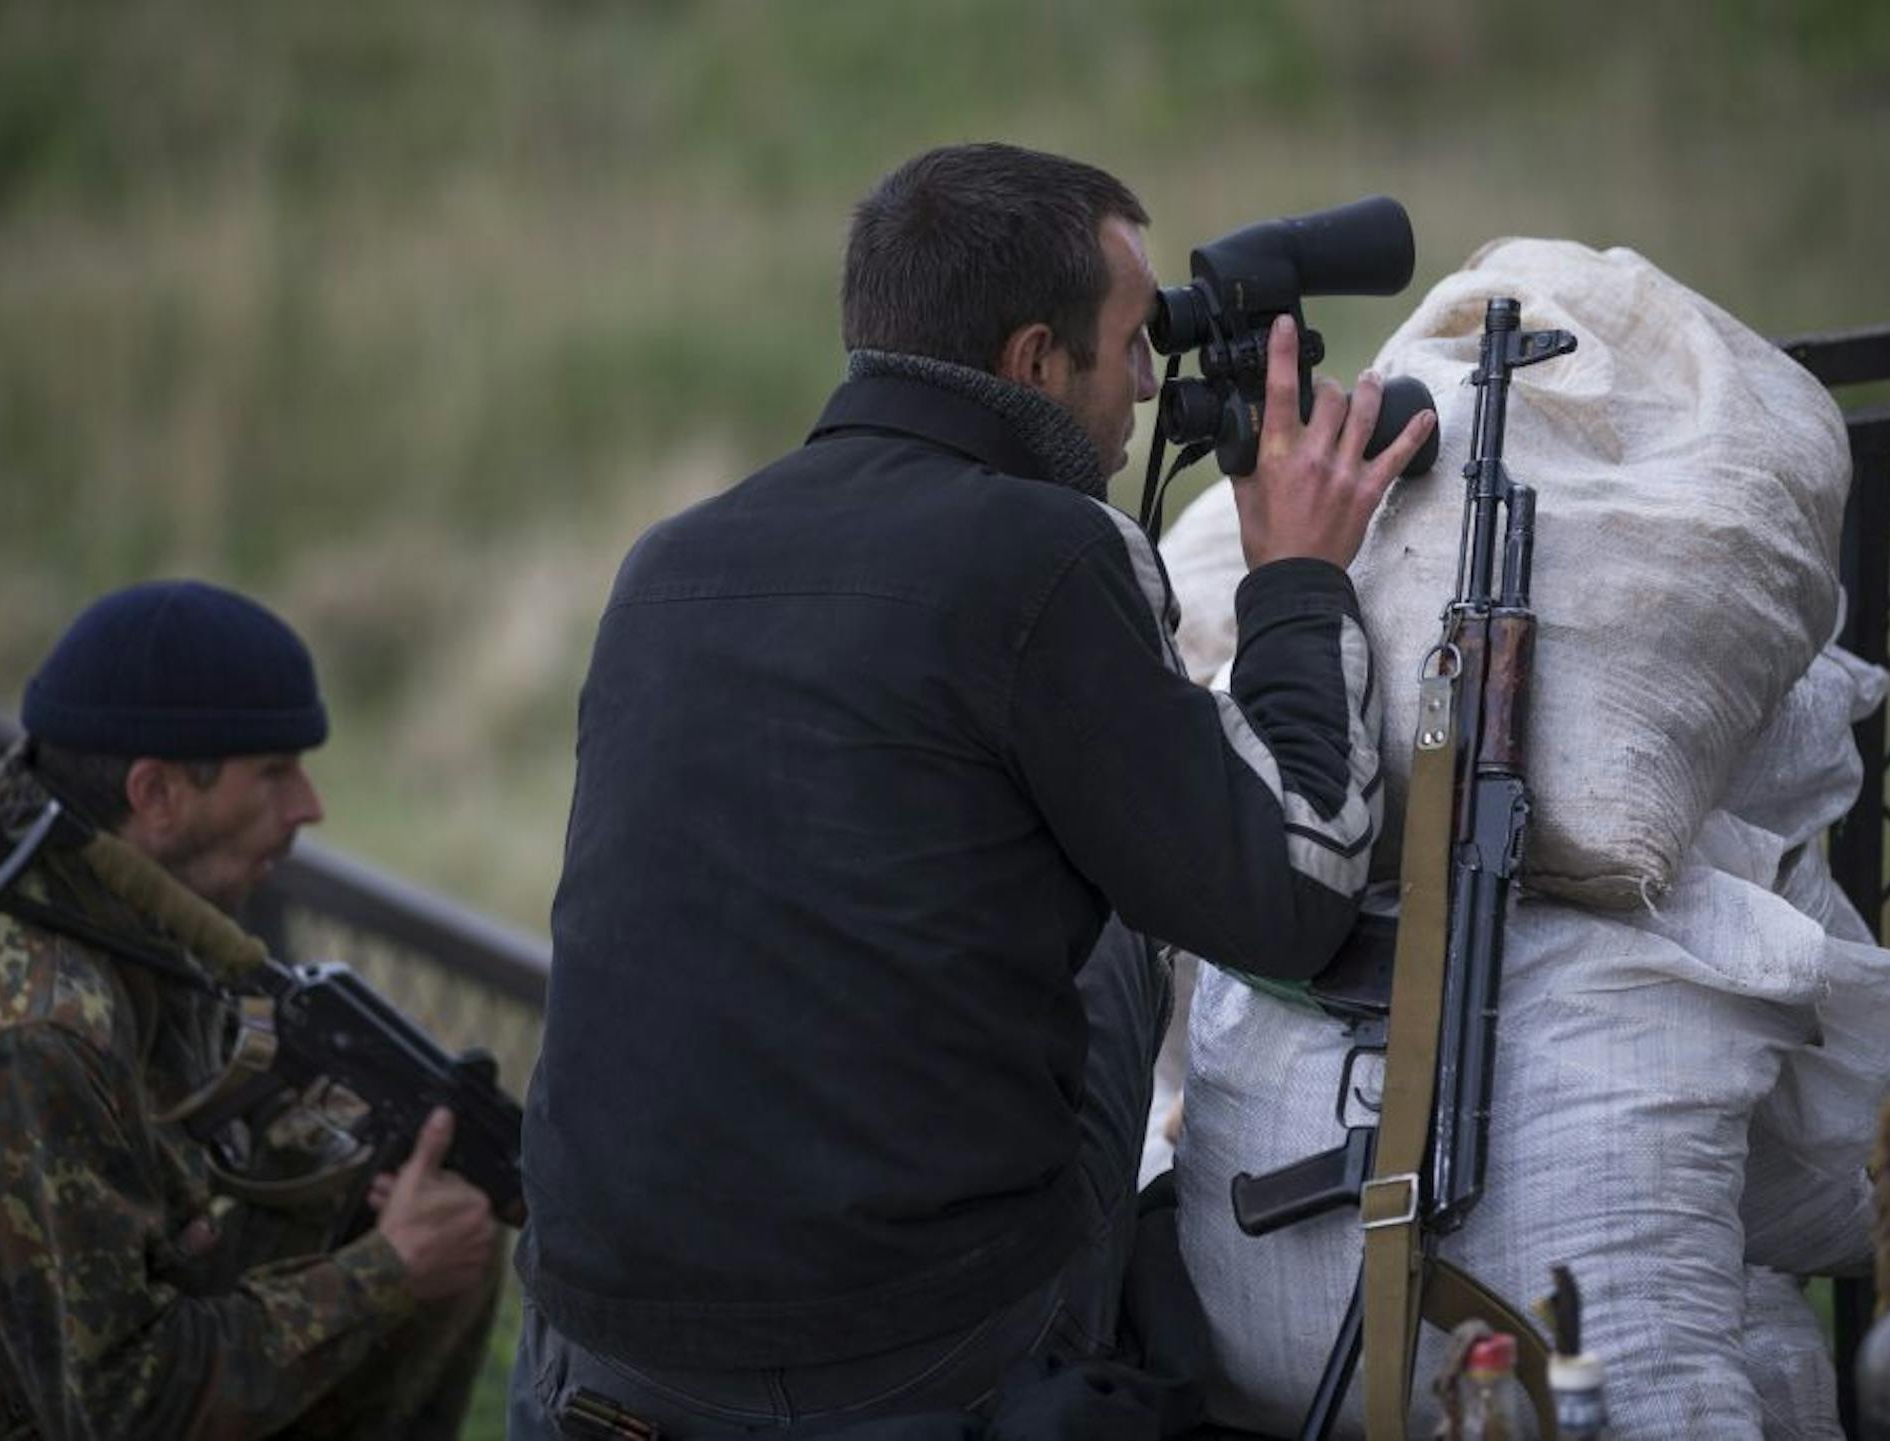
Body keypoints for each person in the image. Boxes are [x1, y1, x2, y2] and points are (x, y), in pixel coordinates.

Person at [510, 142, 1436, 1437]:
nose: (1143, 388)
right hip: (889, 1357)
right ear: (1032, 364)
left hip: (591, 1339)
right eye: (1129, 347)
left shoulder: (669, 561)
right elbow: (1290, 898)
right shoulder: (1042, 553)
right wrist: (1295, 576)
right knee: (1122, 905)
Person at [0, 579, 498, 1440]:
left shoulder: (104, 904)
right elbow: (122, 1408)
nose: (308, 808)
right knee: (413, 1266)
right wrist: (387, 1271)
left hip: (37, 1381)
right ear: (156, 794)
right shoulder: (30, 1026)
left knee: (436, 1198)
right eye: (274, 772)